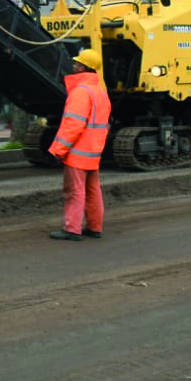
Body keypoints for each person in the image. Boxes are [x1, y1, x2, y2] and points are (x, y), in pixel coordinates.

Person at [46, 45, 111, 241]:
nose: (73, 65)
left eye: (76, 63)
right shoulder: (100, 92)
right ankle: (94, 227)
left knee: (74, 191)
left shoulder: (80, 93)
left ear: (82, 68)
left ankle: (72, 229)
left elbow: (72, 125)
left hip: (77, 153)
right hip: (93, 152)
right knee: (93, 191)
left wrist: (59, 149)